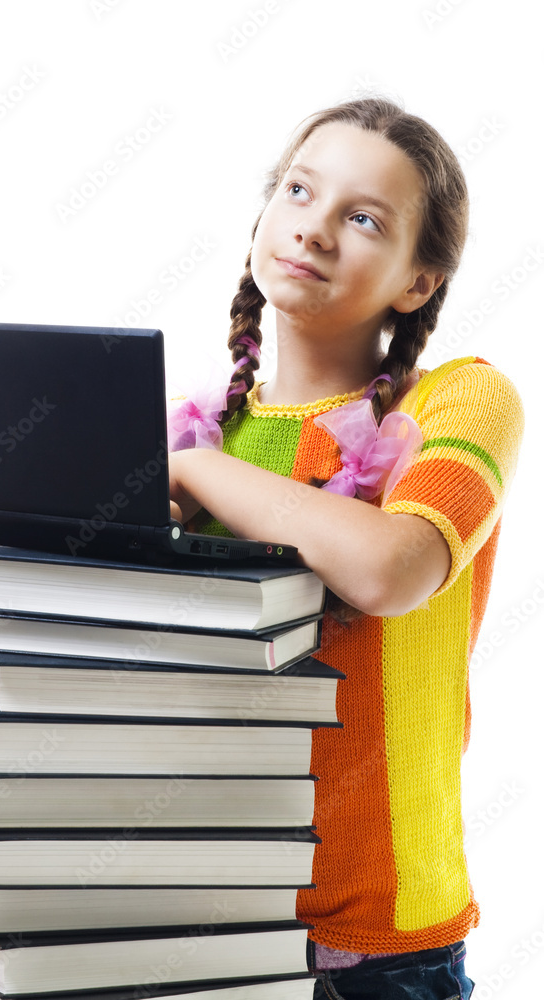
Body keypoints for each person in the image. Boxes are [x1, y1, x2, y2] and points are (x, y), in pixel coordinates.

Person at [167, 97, 524, 999]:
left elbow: (388, 568)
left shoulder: (459, 401)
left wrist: (196, 475)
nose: (313, 230)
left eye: (362, 219)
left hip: (377, 949)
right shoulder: (205, 430)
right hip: (190, 921)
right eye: (297, 191)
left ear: (418, 279)